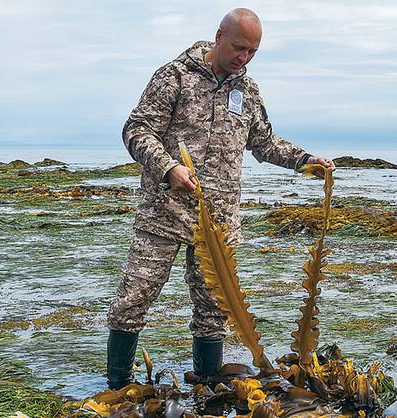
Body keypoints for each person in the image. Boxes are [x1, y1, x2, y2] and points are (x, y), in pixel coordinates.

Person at [105, 8, 335, 390]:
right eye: (239, 47)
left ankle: (209, 385)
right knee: (133, 300)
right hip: (163, 214)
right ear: (219, 36)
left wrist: (306, 161)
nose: (243, 58)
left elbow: (264, 142)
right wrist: (167, 168)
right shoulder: (173, 76)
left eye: (252, 52)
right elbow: (137, 130)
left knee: (214, 309)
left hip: (220, 219)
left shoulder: (246, 91)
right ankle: (117, 386)